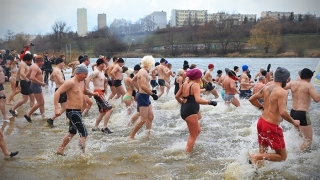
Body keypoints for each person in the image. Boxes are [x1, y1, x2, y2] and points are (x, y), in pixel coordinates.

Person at [248, 67, 300, 166]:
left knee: (263, 152)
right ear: (285, 79)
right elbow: (283, 112)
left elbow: (251, 99)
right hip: (271, 126)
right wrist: (294, 122)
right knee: (282, 157)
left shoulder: (266, 87)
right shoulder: (282, 92)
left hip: (261, 122)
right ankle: (255, 157)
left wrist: (262, 107)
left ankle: (257, 169)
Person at [55, 64, 98, 156]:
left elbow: (85, 91)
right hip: (72, 111)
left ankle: (60, 149)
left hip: (77, 111)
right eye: (85, 74)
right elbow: (57, 92)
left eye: (87, 74)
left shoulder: (81, 82)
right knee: (84, 133)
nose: (86, 76)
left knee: (72, 132)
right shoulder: (70, 82)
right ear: (78, 73)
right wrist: (56, 108)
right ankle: (82, 155)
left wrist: (93, 94)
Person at [175, 68, 217, 154]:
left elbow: (177, 96)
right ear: (198, 77)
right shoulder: (195, 85)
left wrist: (183, 102)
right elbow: (198, 100)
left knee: (198, 130)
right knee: (193, 136)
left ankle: (188, 146)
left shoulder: (185, 83)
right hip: (190, 111)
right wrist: (210, 102)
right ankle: (187, 155)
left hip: (185, 109)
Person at [285, 68, 320, 152]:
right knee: (308, 141)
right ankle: (295, 154)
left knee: (300, 136)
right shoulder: (309, 85)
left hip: (293, 112)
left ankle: (292, 150)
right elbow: (316, 99)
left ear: (300, 75)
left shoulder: (292, 83)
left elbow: (282, 87)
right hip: (302, 113)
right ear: (310, 77)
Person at [128, 56, 158, 140]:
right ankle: (131, 136)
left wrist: (140, 90)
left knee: (151, 116)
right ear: (149, 63)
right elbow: (143, 85)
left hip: (144, 95)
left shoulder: (141, 71)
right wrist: (152, 94)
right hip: (143, 96)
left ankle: (147, 134)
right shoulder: (143, 72)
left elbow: (133, 80)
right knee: (143, 119)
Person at [90, 59, 114, 134]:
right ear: (98, 64)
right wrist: (88, 91)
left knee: (102, 112)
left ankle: (95, 127)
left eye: (104, 64)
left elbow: (104, 80)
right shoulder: (96, 72)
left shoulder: (102, 72)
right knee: (110, 109)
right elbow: (88, 78)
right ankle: (104, 127)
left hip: (101, 93)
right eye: (102, 64)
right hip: (97, 93)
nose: (104, 65)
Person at [24, 55, 46, 122]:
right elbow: (32, 77)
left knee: (42, 102)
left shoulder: (32, 66)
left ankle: (43, 117)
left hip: (35, 85)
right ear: (40, 61)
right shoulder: (35, 67)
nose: (43, 63)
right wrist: (41, 83)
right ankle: (28, 114)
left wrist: (33, 83)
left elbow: (27, 76)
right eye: (43, 62)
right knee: (40, 102)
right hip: (36, 85)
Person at [46, 58, 67, 127]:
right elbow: (61, 81)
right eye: (63, 63)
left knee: (66, 106)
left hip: (59, 89)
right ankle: (51, 119)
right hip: (61, 90)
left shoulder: (55, 70)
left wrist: (55, 81)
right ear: (59, 63)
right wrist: (69, 84)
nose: (64, 64)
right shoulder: (57, 71)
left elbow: (51, 78)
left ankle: (69, 119)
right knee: (64, 108)